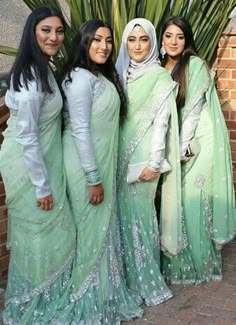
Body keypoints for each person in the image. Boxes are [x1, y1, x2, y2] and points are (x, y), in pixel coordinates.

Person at [56, 19, 143, 324]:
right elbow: (79, 129)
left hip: (99, 163)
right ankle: (84, 296)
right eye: (97, 40)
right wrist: (93, 177)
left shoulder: (99, 76)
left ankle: (102, 292)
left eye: (108, 40)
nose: (104, 46)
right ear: (83, 42)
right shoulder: (79, 78)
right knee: (90, 233)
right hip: (84, 166)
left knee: (100, 232)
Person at [0, 6, 76, 324]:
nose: (54, 37)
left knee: (49, 238)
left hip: (44, 162)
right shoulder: (31, 77)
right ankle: (34, 306)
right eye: (46, 30)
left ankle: (45, 298)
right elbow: (28, 136)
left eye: (59, 31)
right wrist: (41, 186)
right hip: (32, 170)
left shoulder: (42, 69)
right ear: (32, 31)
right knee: (44, 236)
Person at [160, 16, 236, 284]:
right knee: (176, 199)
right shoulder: (161, 67)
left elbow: (192, 112)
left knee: (191, 198)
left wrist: (181, 153)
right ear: (161, 38)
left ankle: (199, 264)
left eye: (179, 37)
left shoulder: (195, 65)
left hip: (197, 143)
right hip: (177, 141)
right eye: (169, 36)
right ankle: (176, 260)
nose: (173, 41)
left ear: (187, 40)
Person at [115, 18, 184, 305]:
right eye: (132, 40)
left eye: (144, 39)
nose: (138, 46)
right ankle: (125, 279)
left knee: (140, 219)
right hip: (116, 159)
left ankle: (145, 279)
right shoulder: (119, 73)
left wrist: (154, 164)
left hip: (143, 162)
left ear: (153, 42)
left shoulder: (158, 76)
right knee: (120, 219)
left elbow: (161, 124)